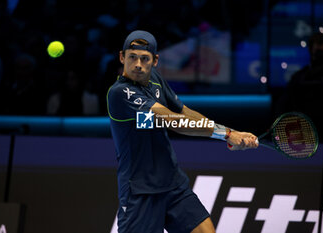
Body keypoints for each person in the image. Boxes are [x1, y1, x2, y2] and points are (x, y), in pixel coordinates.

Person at [107, 30, 258, 233]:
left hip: (172, 184)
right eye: (132, 57)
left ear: (155, 61)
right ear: (122, 57)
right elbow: (174, 121)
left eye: (145, 59)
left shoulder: (155, 80)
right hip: (140, 191)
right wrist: (228, 135)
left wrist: (230, 132)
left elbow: (185, 112)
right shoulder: (119, 93)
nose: (138, 65)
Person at [283, 33, 323, 142]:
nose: (322, 56)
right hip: (306, 136)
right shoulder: (299, 78)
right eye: (319, 52)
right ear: (311, 51)